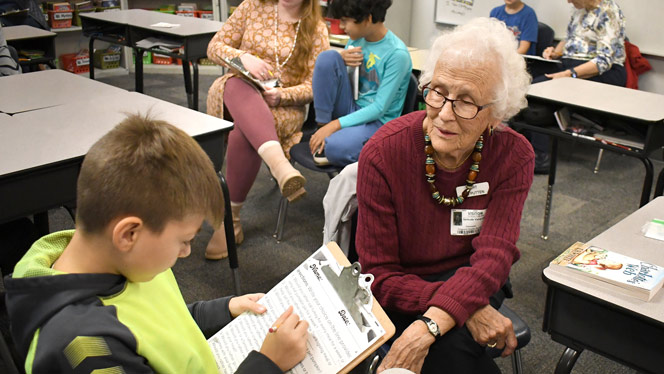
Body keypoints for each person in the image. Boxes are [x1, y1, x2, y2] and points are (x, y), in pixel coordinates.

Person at [4, 115, 309, 373]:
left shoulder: (130, 260)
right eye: (184, 241)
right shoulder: (83, 347)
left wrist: (222, 309)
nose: (187, 252)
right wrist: (266, 365)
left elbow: (161, 322)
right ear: (128, 234)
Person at [355, 18, 534, 373]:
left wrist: (430, 325)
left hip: (475, 276)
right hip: (404, 289)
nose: (445, 114)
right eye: (437, 91)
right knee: (454, 355)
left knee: (449, 353)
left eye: (466, 102)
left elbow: (494, 258)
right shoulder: (383, 153)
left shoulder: (514, 156)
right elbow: (380, 274)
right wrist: (456, 309)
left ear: (496, 114)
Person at [205, 0, 329, 259]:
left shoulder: (315, 28)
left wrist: (281, 96)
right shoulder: (252, 6)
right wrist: (243, 58)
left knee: (245, 132)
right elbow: (213, 47)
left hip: (281, 107)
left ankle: (231, 221)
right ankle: (280, 167)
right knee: (237, 86)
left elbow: (314, 86)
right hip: (237, 92)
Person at [308, 0, 412, 167]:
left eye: (345, 20)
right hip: (351, 107)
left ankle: (331, 140)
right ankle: (321, 126)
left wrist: (336, 125)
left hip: (378, 122)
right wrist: (341, 59)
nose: (342, 26)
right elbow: (344, 80)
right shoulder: (357, 39)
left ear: (368, 18)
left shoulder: (397, 55)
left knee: (335, 148)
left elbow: (379, 109)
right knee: (327, 57)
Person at [535, 0, 626, 86]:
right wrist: (555, 53)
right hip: (570, 65)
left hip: (599, 70)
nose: (569, 1)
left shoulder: (608, 11)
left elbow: (604, 61)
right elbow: (569, 39)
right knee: (532, 74)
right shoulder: (579, 10)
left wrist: (568, 75)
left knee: (541, 87)